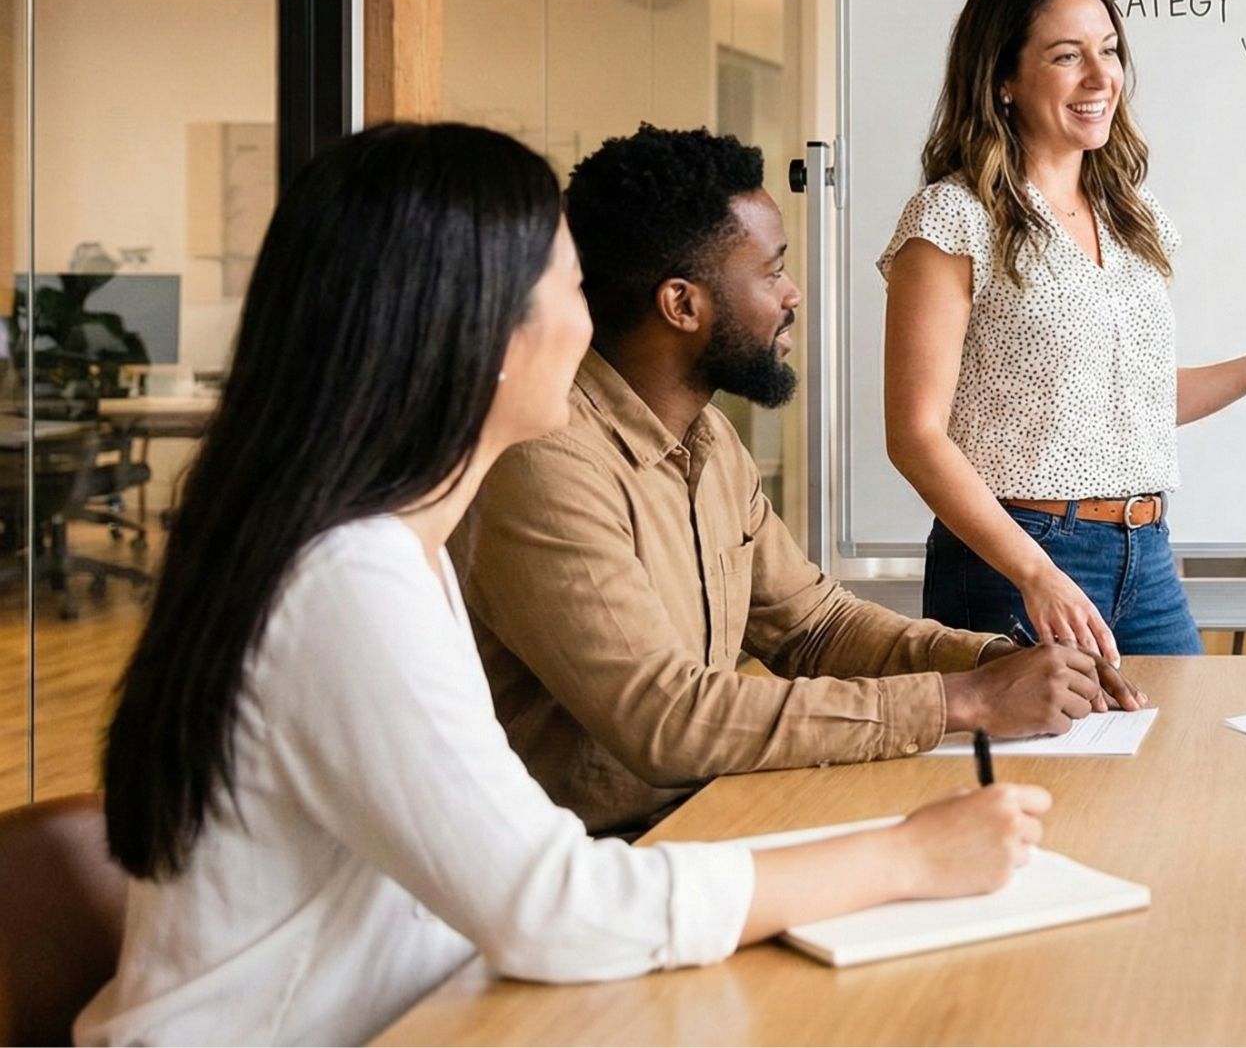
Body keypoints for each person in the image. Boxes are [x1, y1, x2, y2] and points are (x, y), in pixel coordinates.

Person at [81, 124, 1049, 1047]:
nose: (590, 326)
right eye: (572, 287)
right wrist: (906, 855)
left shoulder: (377, 551)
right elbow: (554, 909)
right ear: (479, 332)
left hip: (437, 1007)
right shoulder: (348, 579)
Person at [461, 126, 1132, 839]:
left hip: (712, 820)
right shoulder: (547, 461)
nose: (793, 293)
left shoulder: (709, 439)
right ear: (682, 306)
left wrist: (1002, 661)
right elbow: (667, 720)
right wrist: (962, 700)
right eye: (770, 271)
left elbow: (814, 627)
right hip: (606, 861)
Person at [882, 0, 1246, 658]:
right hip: (1016, 561)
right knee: (1036, 769)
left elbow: (1137, 401)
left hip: (1145, 553)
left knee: (1179, 759)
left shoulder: (1134, 217)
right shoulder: (952, 217)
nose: (1102, 78)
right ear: (1002, 80)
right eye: (1068, 56)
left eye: (1110, 51)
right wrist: (1036, 572)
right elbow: (916, 435)